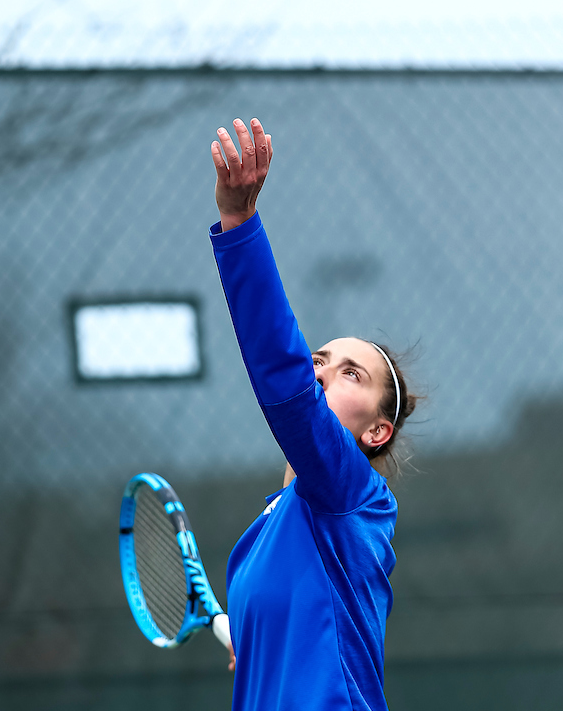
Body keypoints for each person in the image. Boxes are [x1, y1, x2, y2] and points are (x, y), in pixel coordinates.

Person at [209, 117, 417, 711]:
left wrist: (239, 225)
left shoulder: (356, 492)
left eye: (352, 373)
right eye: (322, 360)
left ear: (377, 431)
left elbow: (285, 376)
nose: (323, 370)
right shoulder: (258, 542)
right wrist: (257, 640)